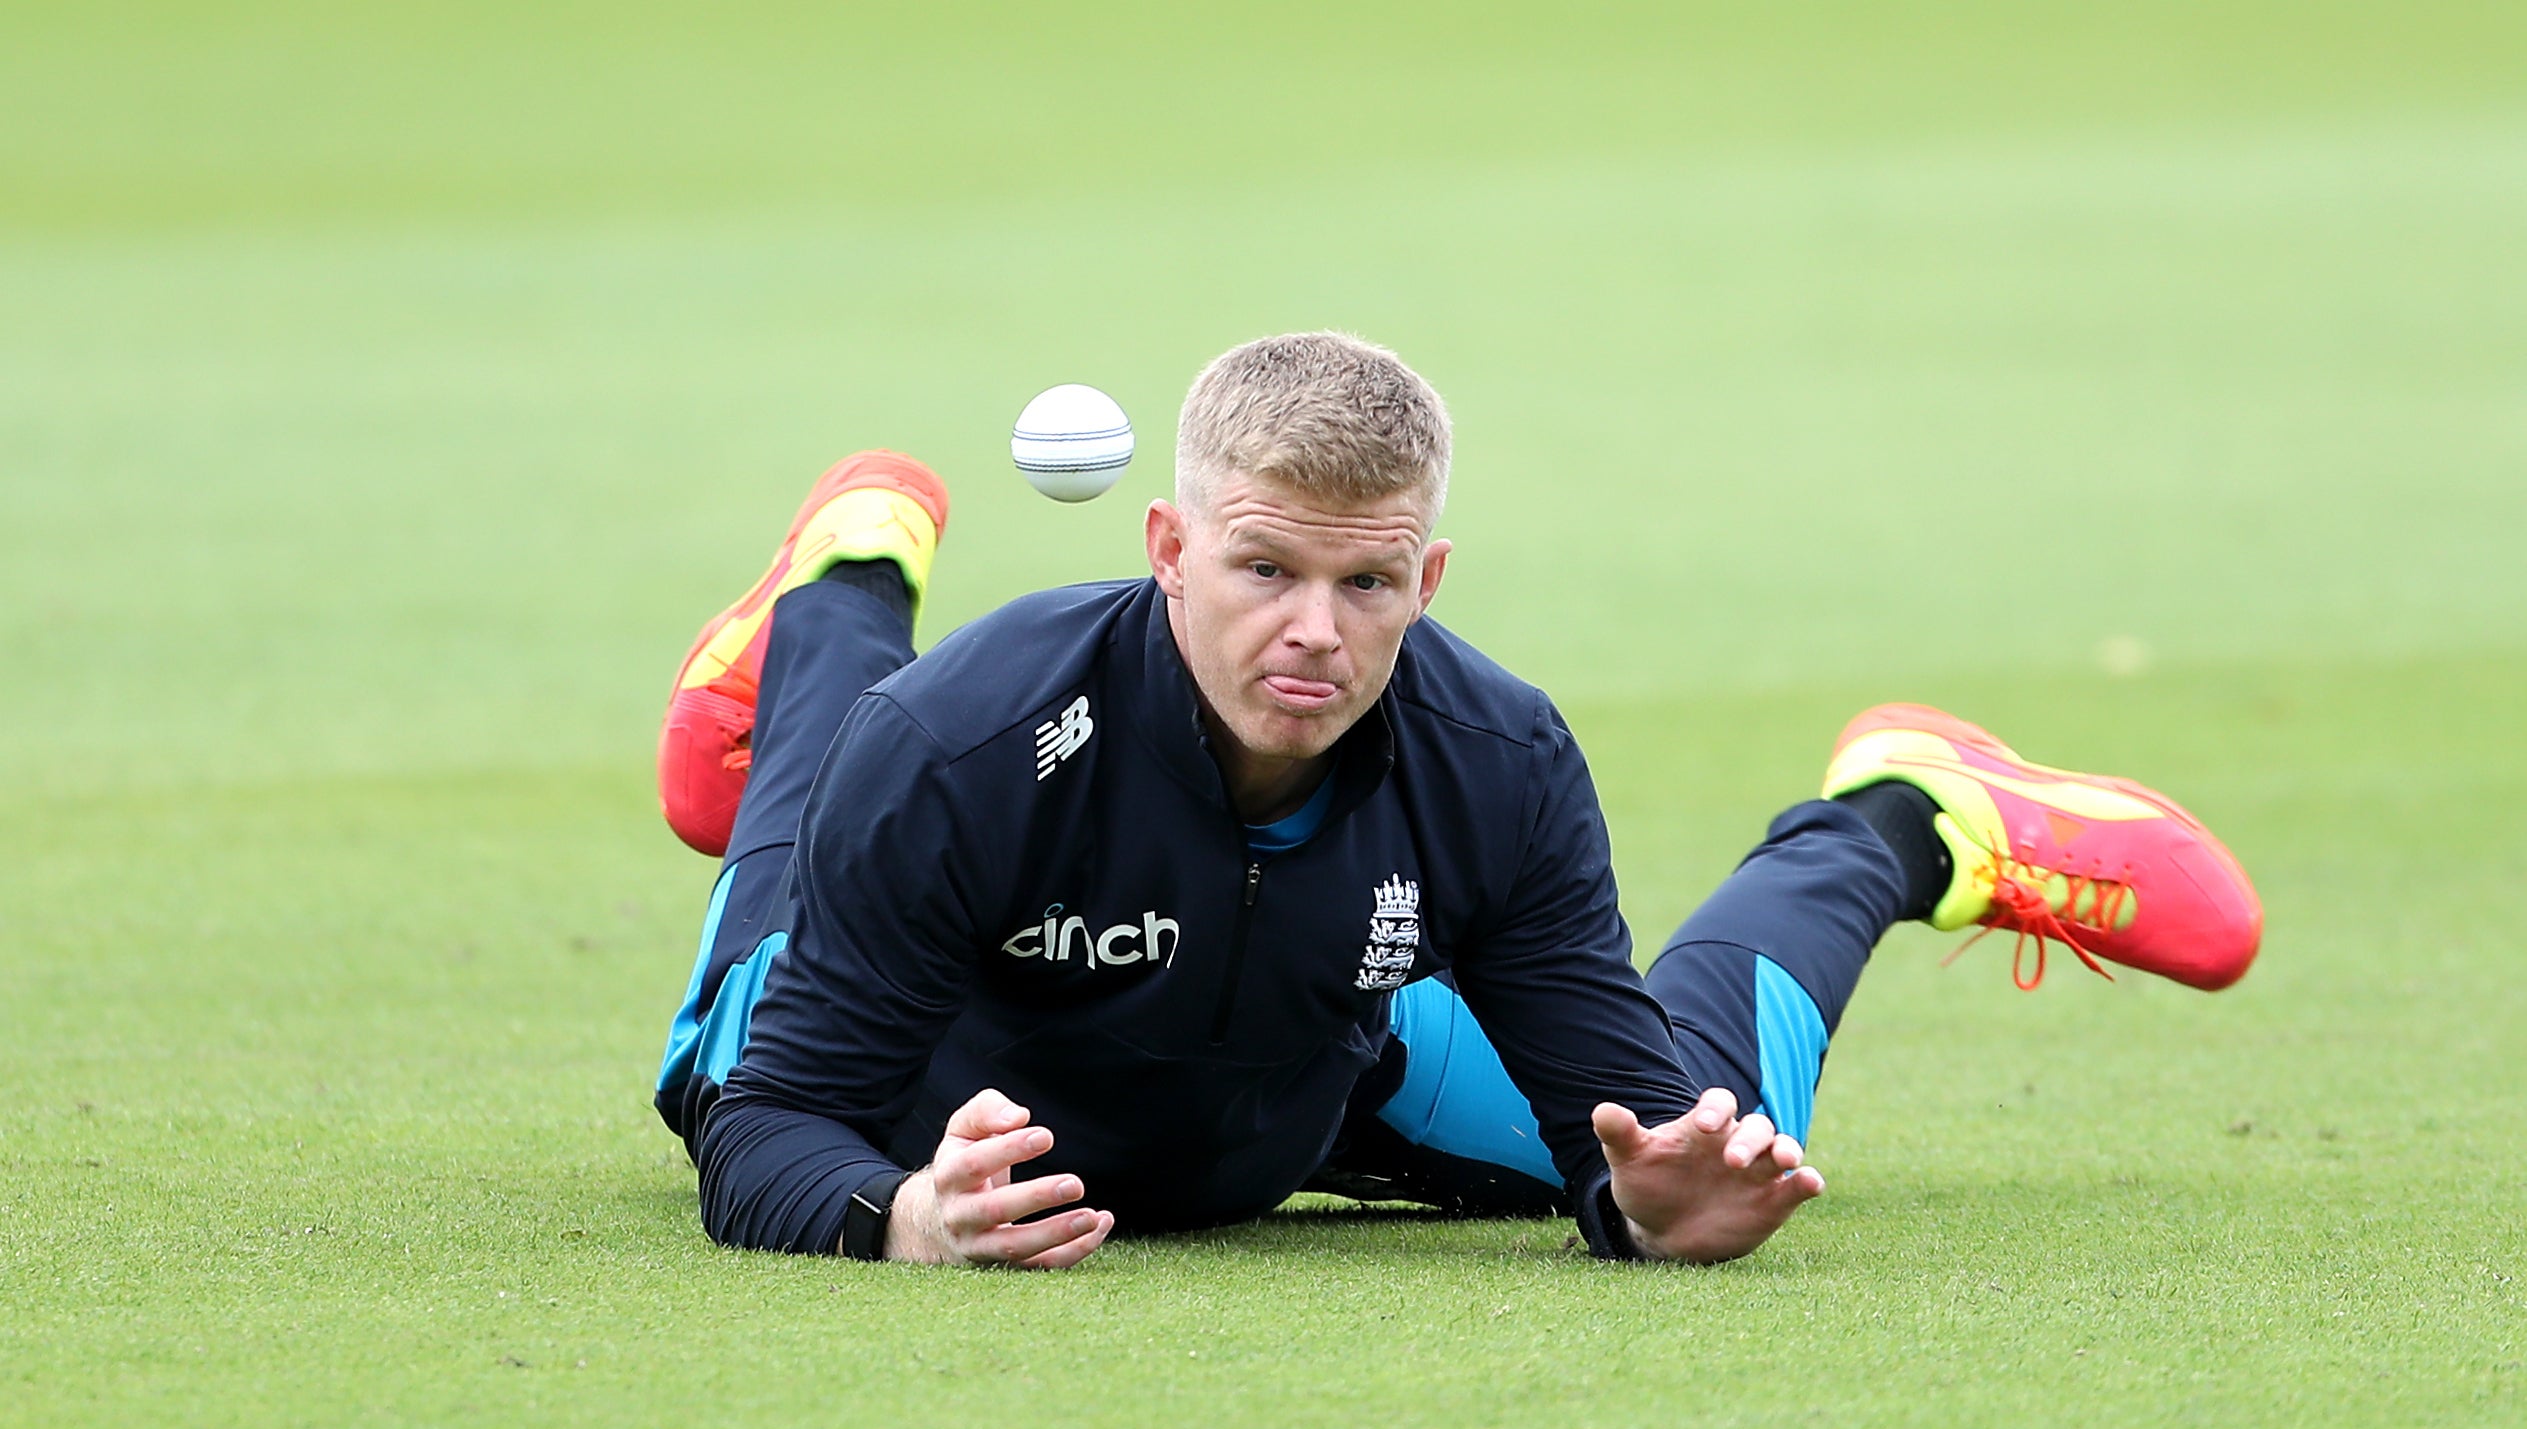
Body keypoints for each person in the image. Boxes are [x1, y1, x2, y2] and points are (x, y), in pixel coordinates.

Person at [649, 333, 2261, 1267]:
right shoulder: (968, 744)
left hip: (1299, 1052)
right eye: (1263, 567)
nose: (1313, 632)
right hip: (944, 1055)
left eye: (1366, 583)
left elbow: (1626, 1118)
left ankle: (1907, 820)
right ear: (1166, 549)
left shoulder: (1496, 760)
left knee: (1727, 1120)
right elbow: (766, 1134)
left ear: (1426, 577)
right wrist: (902, 1220)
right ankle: (848, 572)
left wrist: (1648, 1207)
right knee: (782, 894)